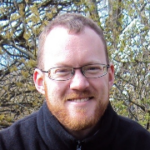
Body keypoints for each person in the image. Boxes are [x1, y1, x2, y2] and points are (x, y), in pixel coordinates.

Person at [0, 13, 150, 150]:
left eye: (92, 68)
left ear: (110, 76)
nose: (79, 84)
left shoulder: (142, 143)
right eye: (62, 71)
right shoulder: (8, 145)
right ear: (40, 82)